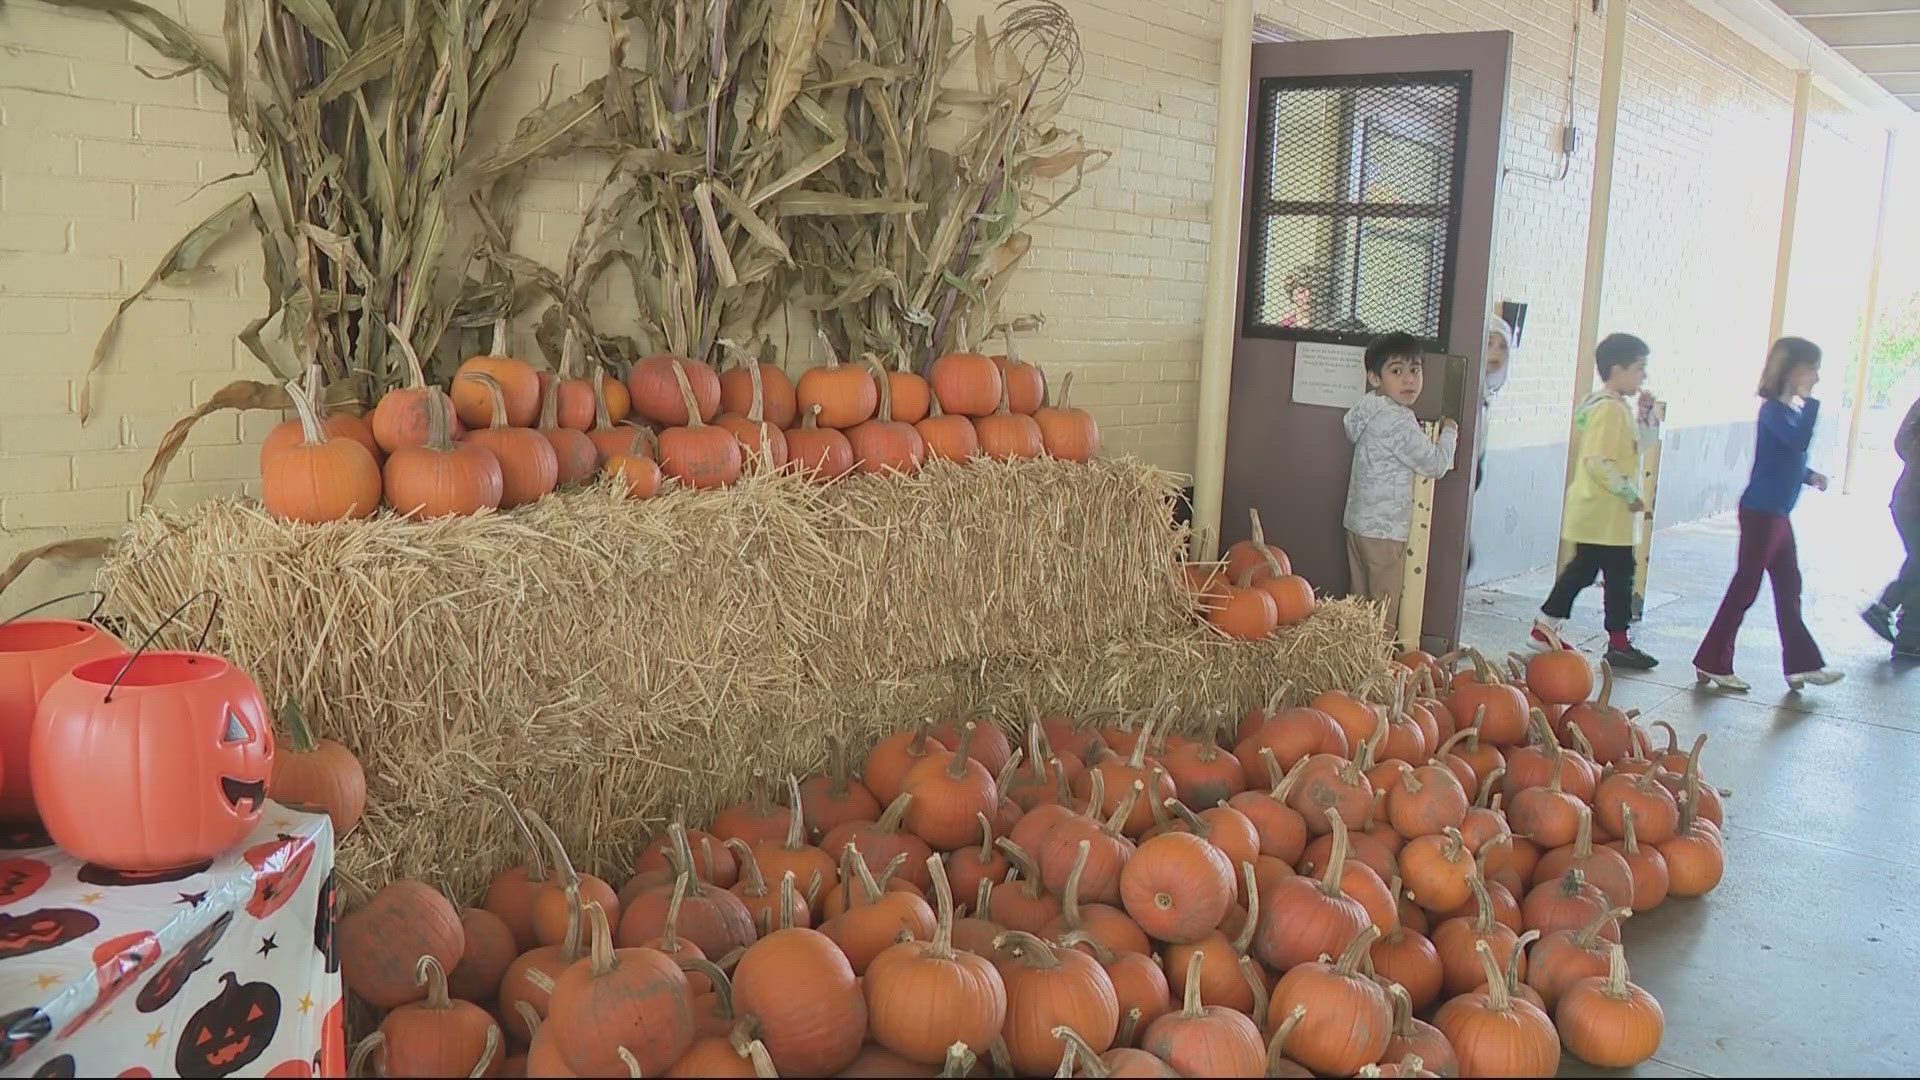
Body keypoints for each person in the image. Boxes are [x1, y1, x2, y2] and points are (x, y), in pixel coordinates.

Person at [1692, 337, 1843, 691]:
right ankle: (1713, 661)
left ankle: (1802, 664)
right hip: (1761, 514)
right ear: (1792, 370)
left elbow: (1786, 458)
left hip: (1777, 514)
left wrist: (1810, 476)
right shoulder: (1774, 411)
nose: (1816, 378)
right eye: (1812, 369)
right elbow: (1796, 443)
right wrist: (1812, 404)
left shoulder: (1788, 412)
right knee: (1745, 589)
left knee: (1790, 588)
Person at [1533, 333, 1661, 670]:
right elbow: (1599, 460)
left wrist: (1646, 416)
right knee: (1605, 575)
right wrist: (1631, 495)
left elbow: (1638, 447)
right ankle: (1555, 629)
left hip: (1605, 517)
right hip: (1602, 514)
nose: (1643, 376)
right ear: (1617, 370)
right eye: (1639, 368)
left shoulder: (1617, 409)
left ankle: (1551, 627)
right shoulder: (1608, 411)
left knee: (1592, 572)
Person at [1343, 331, 1460, 632]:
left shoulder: (1367, 409)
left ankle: (1354, 666)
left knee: (1360, 608)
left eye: (1415, 370)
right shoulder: (1397, 421)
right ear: (1375, 377)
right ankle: (1378, 669)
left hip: (1357, 523)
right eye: (1397, 371)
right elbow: (1435, 464)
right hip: (1384, 530)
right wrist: (1449, 432)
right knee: (1383, 612)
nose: (1409, 380)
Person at [1863, 393, 1920, 659]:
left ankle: (1909, 636)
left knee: (1918, 565)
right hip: (1913, 503)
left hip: (1907, 499)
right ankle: (1889, 611)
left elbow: (1901, 444)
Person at [1468, 318, 1514, 575]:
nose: (1496, 353)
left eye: (1502, 346)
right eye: (1489, 343)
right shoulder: (1468, 392)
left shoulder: (1486, 393)